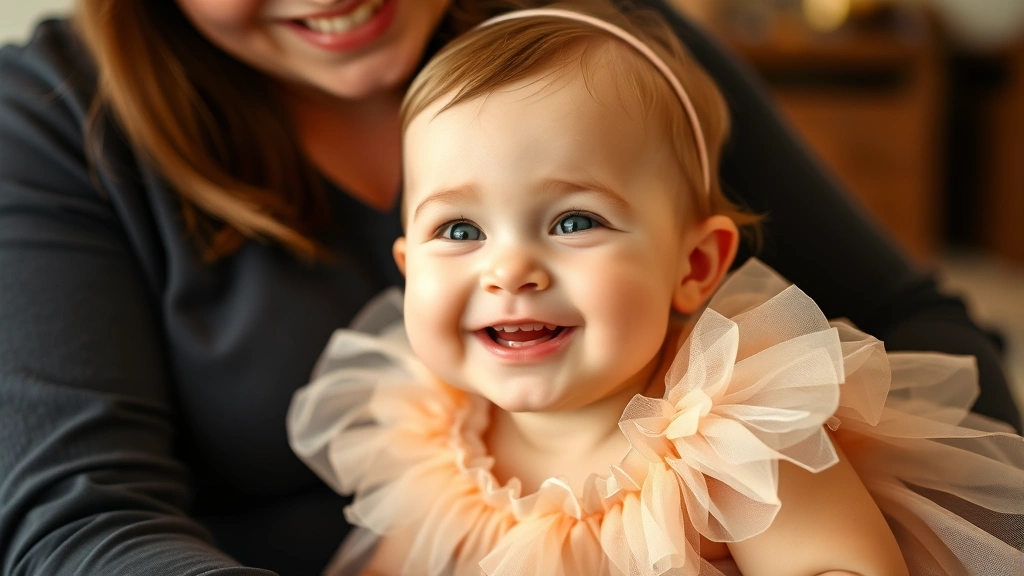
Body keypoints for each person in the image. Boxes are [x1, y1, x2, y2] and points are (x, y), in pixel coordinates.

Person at [0, 0, 1019, 575]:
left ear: (698, 266)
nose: (509, 270)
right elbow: (80, 516)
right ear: (406, 272)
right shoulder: (430, 448)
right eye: (453, 230)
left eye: (572, 221)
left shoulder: (734, 433)